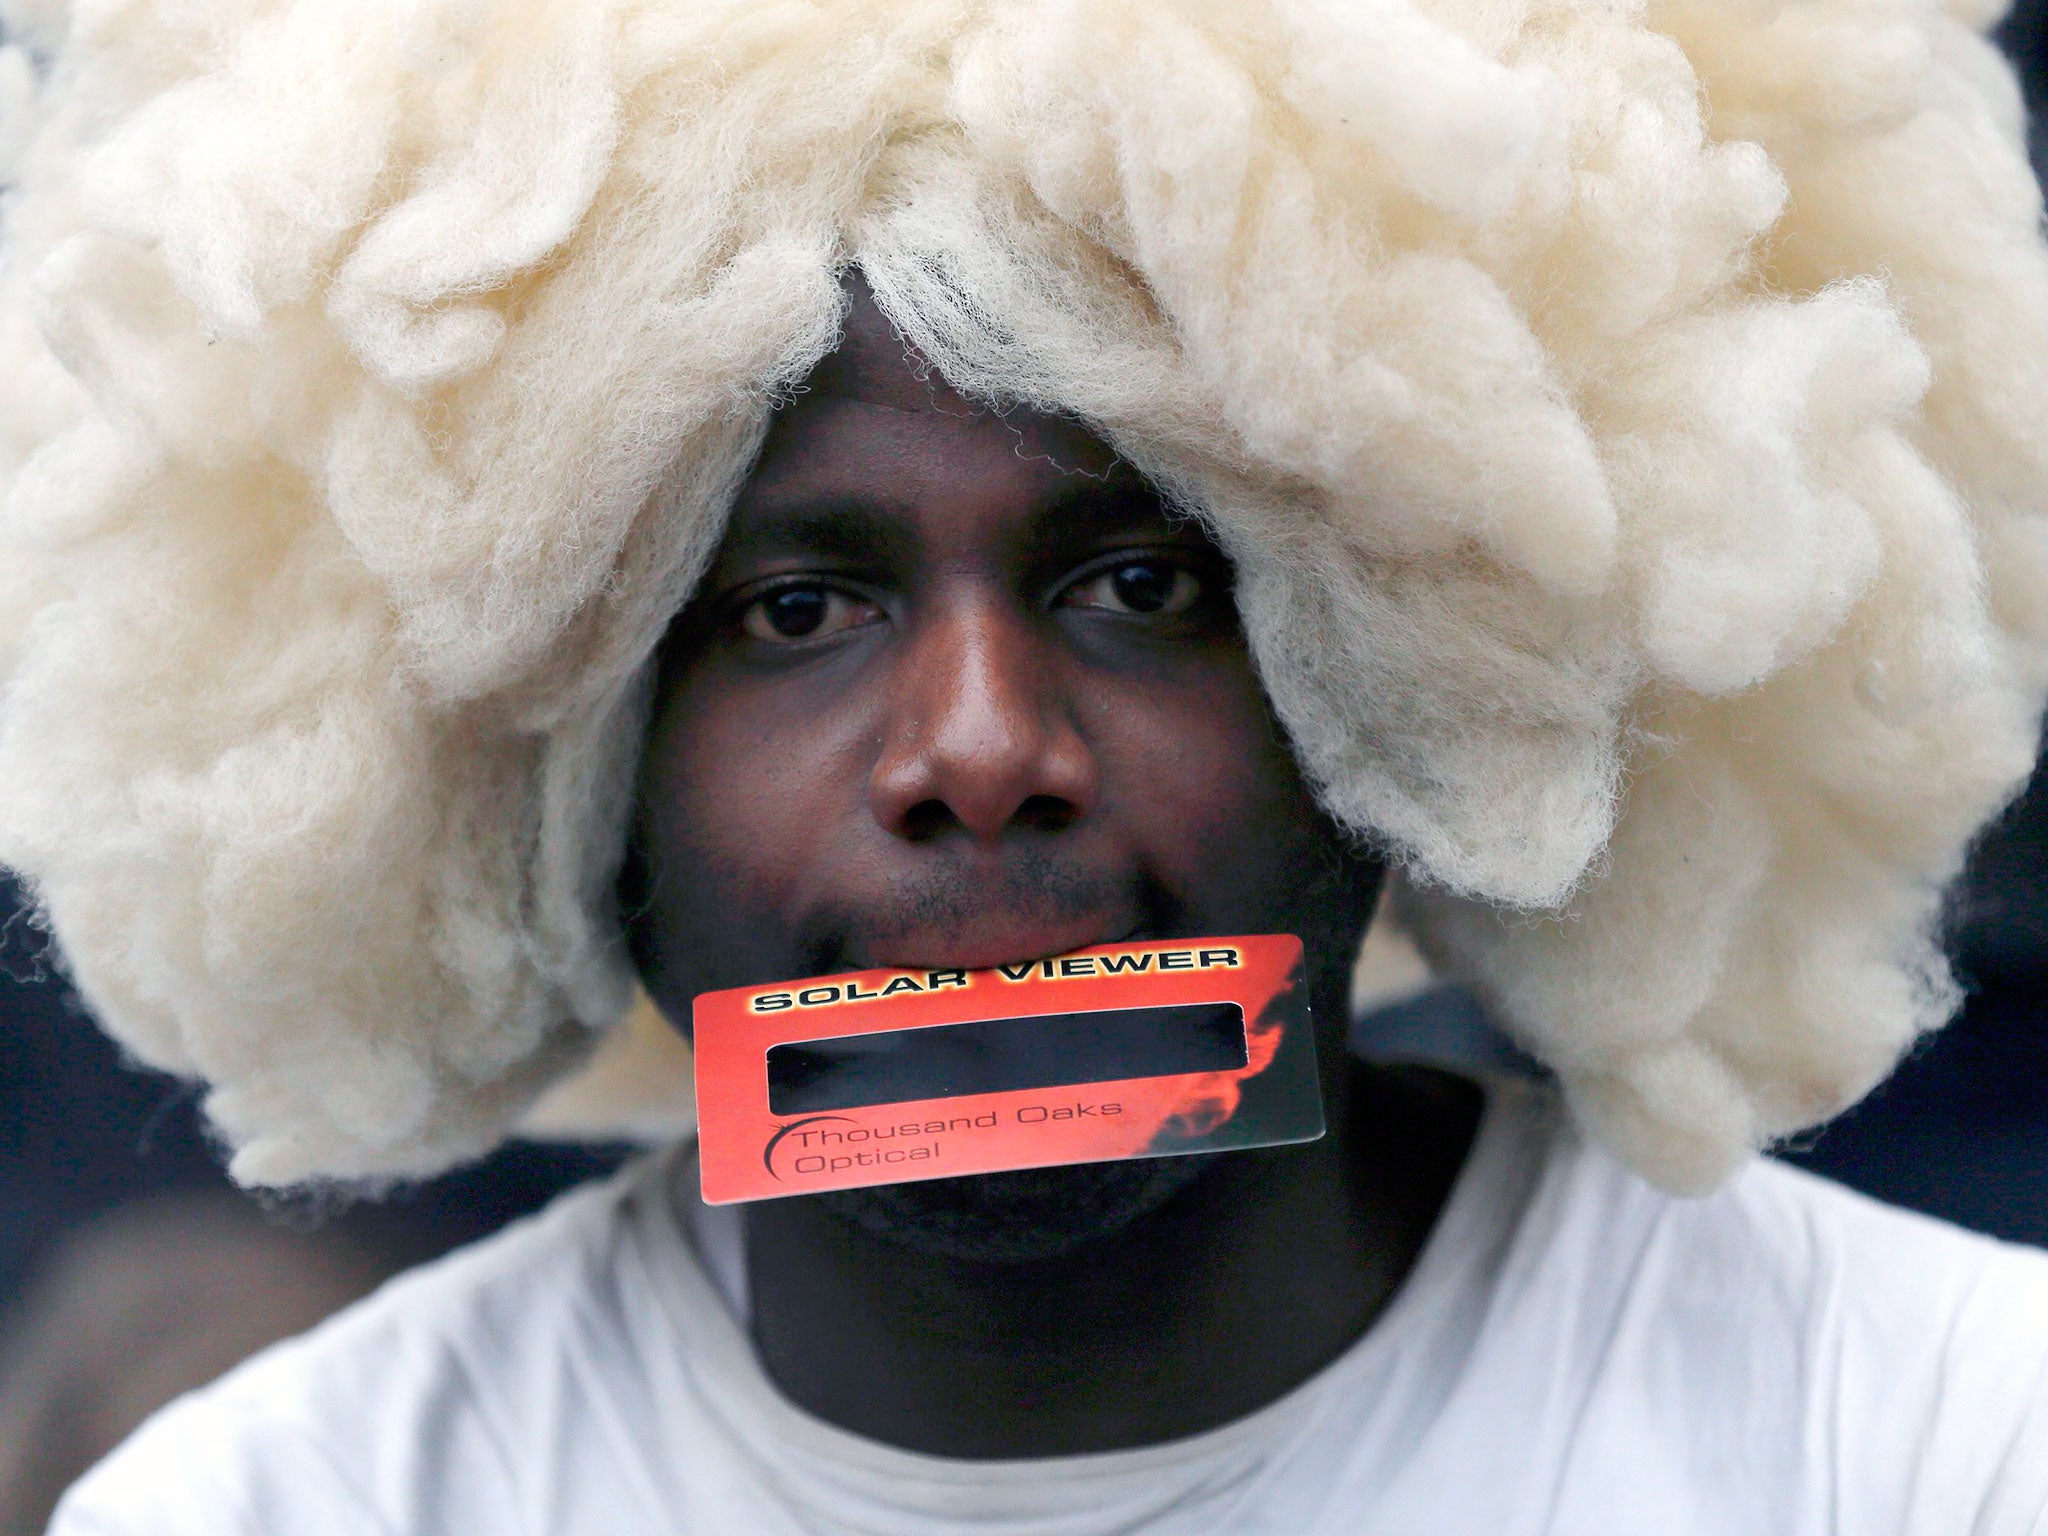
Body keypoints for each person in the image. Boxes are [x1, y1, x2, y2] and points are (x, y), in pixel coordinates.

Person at [5, 1, 2048, 1530]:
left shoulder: (1933, 1444)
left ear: (1425, 679)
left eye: (1142, 579)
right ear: (545, 760)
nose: (981, 750)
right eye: (795, 610)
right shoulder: (291, 1510)